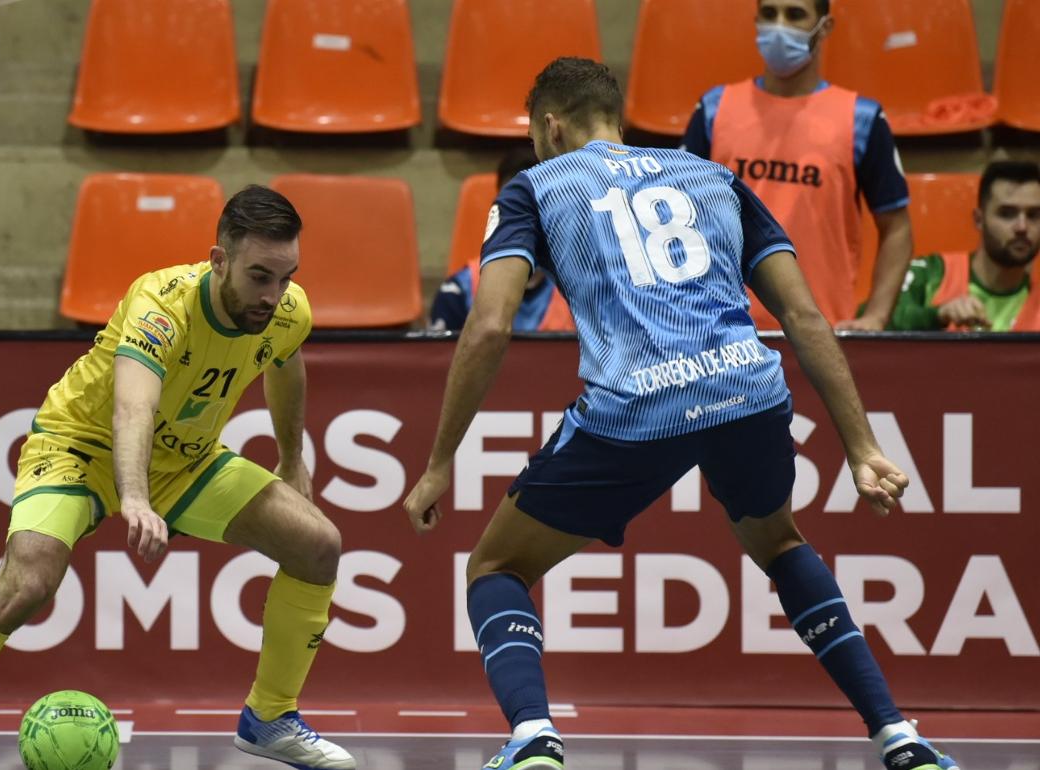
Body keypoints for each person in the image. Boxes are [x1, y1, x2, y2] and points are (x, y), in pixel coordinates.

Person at [403, 57, 958, 770]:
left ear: (549, 126)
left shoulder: (534, 187)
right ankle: (897, 734)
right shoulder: (712, 176)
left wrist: (441, 460)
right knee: (781, 544)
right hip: (748, 389)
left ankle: (533, 737)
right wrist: (862, 447)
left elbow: (486, 327)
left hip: (636, 406)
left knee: (494, 567)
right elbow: (802, 316)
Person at [0, 186, 356, 770]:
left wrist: (291, 455)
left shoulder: (285, 311)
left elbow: (284, 361)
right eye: (259, 277)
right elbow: (132, 408)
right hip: (80, 446)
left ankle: (270, 717)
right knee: (28, 581)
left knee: (317, 545)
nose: (274, 295)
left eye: (285, 277)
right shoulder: (160, 304)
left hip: (186, 461)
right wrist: (135, 498)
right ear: (219, 260)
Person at [681, 0, 913, 332]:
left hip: (822, 333)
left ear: (825, 27)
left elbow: (897, 227)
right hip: (724, 332)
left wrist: (876, 316)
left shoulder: (862, 118)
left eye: (794, 14)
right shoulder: (713, 110)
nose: (779, 25)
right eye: (769, 13)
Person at [431, 147, 574, 333]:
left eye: (539, 204)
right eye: (514, 205)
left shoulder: (581, 292)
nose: (526, 217)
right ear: (497, 210)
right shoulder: (457, 293)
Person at [890, 160, 1040, 331]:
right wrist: (937, 315)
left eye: (1034, 215)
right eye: (1007, 214)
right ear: (979, 220)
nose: (1022, 227)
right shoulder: (931, 273)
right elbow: (870, 323)